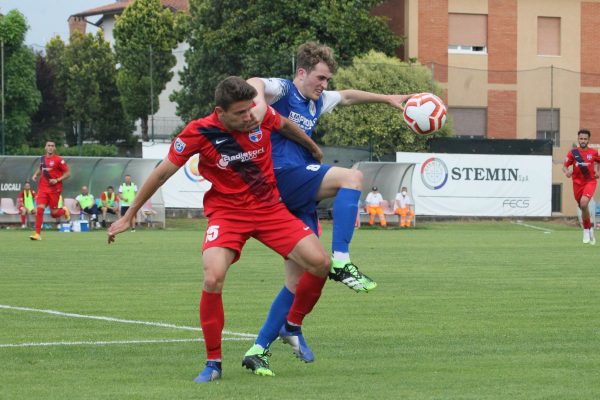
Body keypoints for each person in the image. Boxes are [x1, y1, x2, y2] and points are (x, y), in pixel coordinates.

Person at [107, 76, 329, 383]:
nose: (250, 116)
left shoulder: (260, 115)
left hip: (269, 210)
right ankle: (213, 363)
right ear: (220, 112)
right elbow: (161, 174)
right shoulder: (199, 132)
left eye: (251, 109)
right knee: (212, 277)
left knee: (321, 264)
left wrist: (312, 147)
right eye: (241, 113)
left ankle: (291, 325)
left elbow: (286, 126)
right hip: (228, 215)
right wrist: (130, 214)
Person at [245, 41, 412, 362]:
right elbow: (256, 81)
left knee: (302, 276)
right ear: (302, 73)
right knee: (352, 178)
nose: (324, 85)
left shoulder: (317, 102)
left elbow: (348, 95)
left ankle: (260, 348)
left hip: (294, 194)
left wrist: (387, 99)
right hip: (281, 174)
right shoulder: (284, 90)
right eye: (320, 78)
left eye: (327, 81)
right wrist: (257, 102)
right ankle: (342, 259)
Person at [563, 129, 600, 245]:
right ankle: (589, 228)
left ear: (588, 140)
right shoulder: (573, 153)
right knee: (582, 206)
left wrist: (598, 171)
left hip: (590, 181)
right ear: (578, 139)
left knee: (584, 203)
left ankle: (585, 230)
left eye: (585, 139)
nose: (583, 141)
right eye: (581, 138)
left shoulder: (593, 152)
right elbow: (565, 166)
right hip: (577, 184)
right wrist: (567, 172)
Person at [29, 141, 71, 240]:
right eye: (49, 145)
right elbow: (41, 169)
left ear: (55, 148)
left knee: (54, 214)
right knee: (40, 210)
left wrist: (57, 180)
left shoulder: (59, 160)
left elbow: (68, 174)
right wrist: (35, 175)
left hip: (55, 189)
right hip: (43, 188)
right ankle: (37, 234)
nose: (50, 147)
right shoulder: (42, 158)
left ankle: (63, 210)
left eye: (52, 146)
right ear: (45, 147)